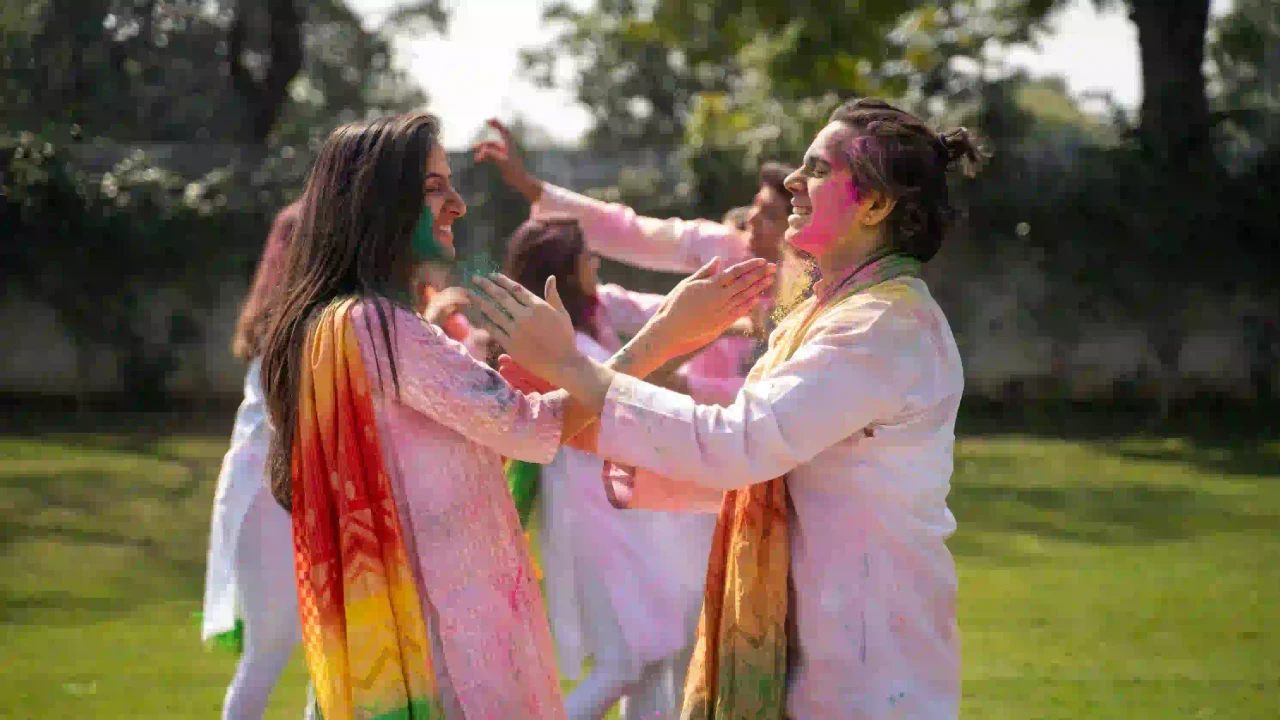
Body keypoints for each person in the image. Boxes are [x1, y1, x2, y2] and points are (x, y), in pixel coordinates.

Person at [473, 97, 984, 719]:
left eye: (818, 170)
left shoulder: (882, 324)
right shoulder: (829, 314)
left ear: (876, 205)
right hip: (831, 642)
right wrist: (607, 436)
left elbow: (746, 442)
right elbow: (771, 465)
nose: (793, 182)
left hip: (869, 665)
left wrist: (579, 374)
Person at [258, 111, 774, 720]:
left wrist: (537, 376)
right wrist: (666, 334)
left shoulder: (336, 326)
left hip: (417, 629)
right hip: (446, 645)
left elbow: (496, 435)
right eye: (433, 188)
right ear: (378, 202)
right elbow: (535, 430)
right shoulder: (379, 328)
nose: (456, 204)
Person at [503, 216, 715, 720]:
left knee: (652, 656)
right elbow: (623, 391)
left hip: (618, 507)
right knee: (626, 661)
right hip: (595, 512)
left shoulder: (585, 330)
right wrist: (693, 336)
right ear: (568, 269)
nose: (596, 262)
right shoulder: (563, 345)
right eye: (587, 256)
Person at [474, 118, 795, 405]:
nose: (750, 219)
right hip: (694, 425)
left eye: (769, 214)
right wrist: (531, 188)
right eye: (754, 205)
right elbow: (630, 231)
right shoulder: (723, 246)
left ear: (798, 227)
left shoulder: (812, 288)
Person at [202, 200, 311, 720]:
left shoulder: (302, 319)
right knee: (268, 654)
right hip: (265, 496)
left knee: (323, 654)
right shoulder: (293, 327)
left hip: (281, 494)